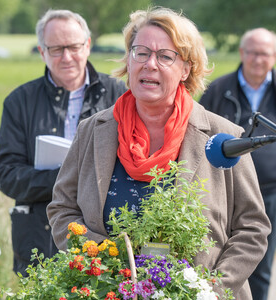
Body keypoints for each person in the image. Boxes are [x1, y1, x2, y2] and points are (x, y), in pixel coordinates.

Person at [47, 7, 271, 299]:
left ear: (186, 69)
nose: (150, 64)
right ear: (129, 61)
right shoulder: (92, 130)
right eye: (141, 52)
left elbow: (252, 228)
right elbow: (62, 209)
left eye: (165, 56)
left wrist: (209, 290)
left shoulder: (223, 137)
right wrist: (106, 263)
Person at [0, 9, 127, 276]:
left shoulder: (121, 95)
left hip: (103, 237)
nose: (66, 57)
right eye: (56, 49)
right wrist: (65, 178)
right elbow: (5, 174)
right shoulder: (19, 102)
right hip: (39, 240)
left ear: (87, 46)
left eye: (73, 47)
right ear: (42, 52)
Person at [200, 28, 276, 300]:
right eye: (253, 52)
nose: (258, 59)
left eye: (265, 54)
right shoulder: (218, 89)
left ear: (274, 56)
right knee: (219, 255)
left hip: (270, 191)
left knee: (261, 261)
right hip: (223, 189)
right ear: (242, 53)